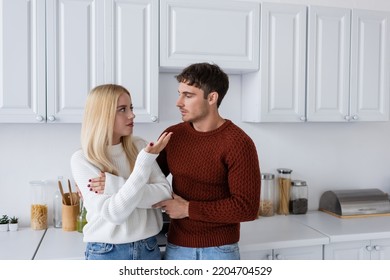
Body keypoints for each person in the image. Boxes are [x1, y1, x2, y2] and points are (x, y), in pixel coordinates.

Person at [153, 62, 261, 260]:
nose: (178, 102)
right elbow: (146, 181)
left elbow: (246, 208)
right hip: (177, 247)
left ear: (212, 97)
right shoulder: (173, 136)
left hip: (220, 251)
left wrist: (187, 209)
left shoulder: (238, 143)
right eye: (180, 93)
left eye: (188, 95)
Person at [70, 84, 172, 260]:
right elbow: (115, 213)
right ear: (102, 115)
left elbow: (164, 194)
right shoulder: (83, 159)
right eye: (122, 109)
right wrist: (142, 164)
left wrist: (113, 185)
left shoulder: (140, 146)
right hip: (106, 253)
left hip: (148, 248)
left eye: (130, 108)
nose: (132, 115)